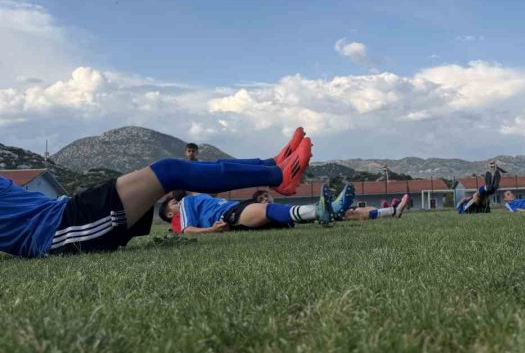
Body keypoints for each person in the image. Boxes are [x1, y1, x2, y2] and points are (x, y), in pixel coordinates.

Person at [0, 127, 312, 259]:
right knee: (169, 171)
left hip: (65, 211)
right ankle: (276, 176)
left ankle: (272, 164)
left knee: (172, 169)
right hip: (57, 232)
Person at [160, 182, 356, 233]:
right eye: (172, 203)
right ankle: (319, 211)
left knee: (276, 213)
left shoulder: (195, 197)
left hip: (237, 208)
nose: (175, 200)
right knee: (264, 209)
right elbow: (187, 231)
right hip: (229, 215)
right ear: (170, 213)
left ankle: (332, 211)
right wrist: (212, 230)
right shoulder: (185, 204)